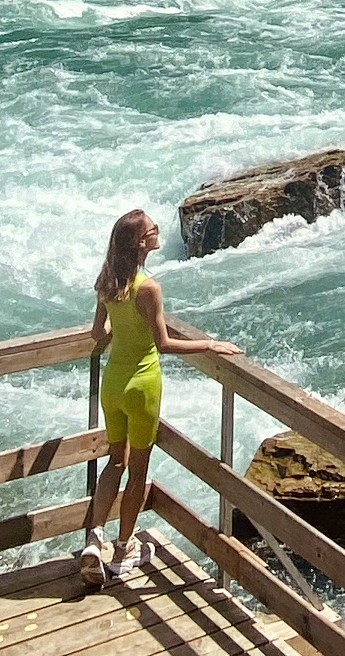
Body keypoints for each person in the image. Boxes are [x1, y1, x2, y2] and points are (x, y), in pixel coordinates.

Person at [79, 208, 240, 585]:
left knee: (113, 463)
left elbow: (98, 333)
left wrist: (119, 328)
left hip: (112, 384)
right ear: (141, 243)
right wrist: (209, 344)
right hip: (142, 385)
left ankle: (95, 538)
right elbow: (163, 343)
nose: (157, 232)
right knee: (137, 473)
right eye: (152, 230)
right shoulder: (148, 287)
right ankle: (122, 550)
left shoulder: (107, 280)